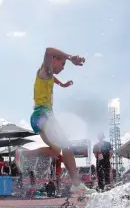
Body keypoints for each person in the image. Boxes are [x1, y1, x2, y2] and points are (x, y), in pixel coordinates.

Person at [15, 47, 96, 194]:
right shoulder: (45, 69)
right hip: (43, 115)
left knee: (55, 150)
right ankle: (77, 185)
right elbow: (47, 50)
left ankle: (23, 154)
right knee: (66, 146)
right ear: (54, 60)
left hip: (40, 117)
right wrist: (70, 57)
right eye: (62, 64)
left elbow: (53, 78)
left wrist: (63, 84)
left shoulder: (49, 76)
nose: (63, 68)